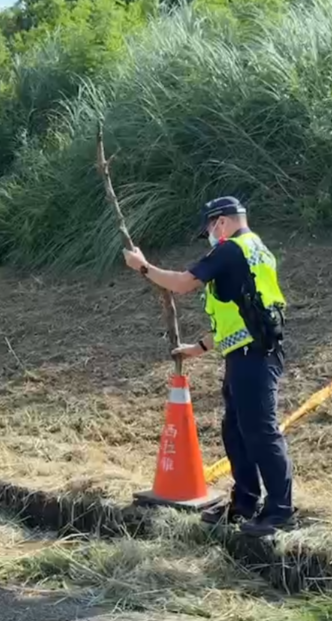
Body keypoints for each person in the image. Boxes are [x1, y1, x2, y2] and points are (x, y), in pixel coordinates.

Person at [121, 196, 295, 537]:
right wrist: (199, 347)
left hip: (253, 355)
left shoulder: (230, 249)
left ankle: (280, 511)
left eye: (209, 230)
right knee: (237, 432)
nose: (210, 237)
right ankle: (244, 503)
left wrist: (142, 266)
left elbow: (184, 283)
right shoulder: (256, 249)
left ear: (220, 222)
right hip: (248, 352)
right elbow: (245, 311)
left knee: (260, 433)